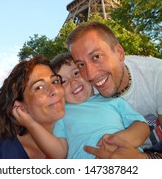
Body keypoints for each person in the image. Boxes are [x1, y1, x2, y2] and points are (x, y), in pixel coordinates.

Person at [13, 52, 150, 159]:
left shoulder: (113, 101)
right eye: (63, 81)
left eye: (76, 73)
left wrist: (120, 140)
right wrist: (30, 124)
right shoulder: (63, 114)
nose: (73, 82)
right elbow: (59, 152)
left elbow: (142, 126)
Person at [66, 21, 162, 158]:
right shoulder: (82, 90)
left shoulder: (157, 75)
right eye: (81, 64)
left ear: (120, 53)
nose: (90, 74)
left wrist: (144, 160)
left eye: (96, 57)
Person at [0, 55, 65, 159]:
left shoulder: (75, 128)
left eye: (55, 81)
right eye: (39, 87)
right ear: (20, 107)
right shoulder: (2, 156)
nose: (55, 90)